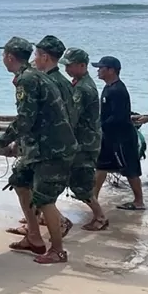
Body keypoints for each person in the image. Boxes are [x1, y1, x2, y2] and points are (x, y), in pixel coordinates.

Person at [0, 37, 76, 264]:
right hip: (39, 146)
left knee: (44, 199)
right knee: (19, 181)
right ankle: (34, 237)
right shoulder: (33, 76)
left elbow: (25, 119)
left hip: (51, 149)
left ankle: (58, 250)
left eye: (3, 55)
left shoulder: (27, 79)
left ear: (9, 57)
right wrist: (18, 141)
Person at [59, 48, 108, 230]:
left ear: (82, 65)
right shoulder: (80, 83)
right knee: (73, 181)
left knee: (81, 185)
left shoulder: (83, 88)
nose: (67, 69)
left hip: (84, 144)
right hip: (84, 141)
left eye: (70, 66)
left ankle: (100, 217)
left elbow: (71, 117)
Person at [93, 56, 146, 211]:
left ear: (111, 70)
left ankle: (139, 201)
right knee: (101, 165)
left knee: (129, 169)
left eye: (101, 68)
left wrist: (99, 126)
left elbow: (118, 117)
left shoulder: (118, 90)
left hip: (122, 138)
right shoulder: (108, 87)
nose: (98, 70)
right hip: (109, 136)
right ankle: (92, 198)